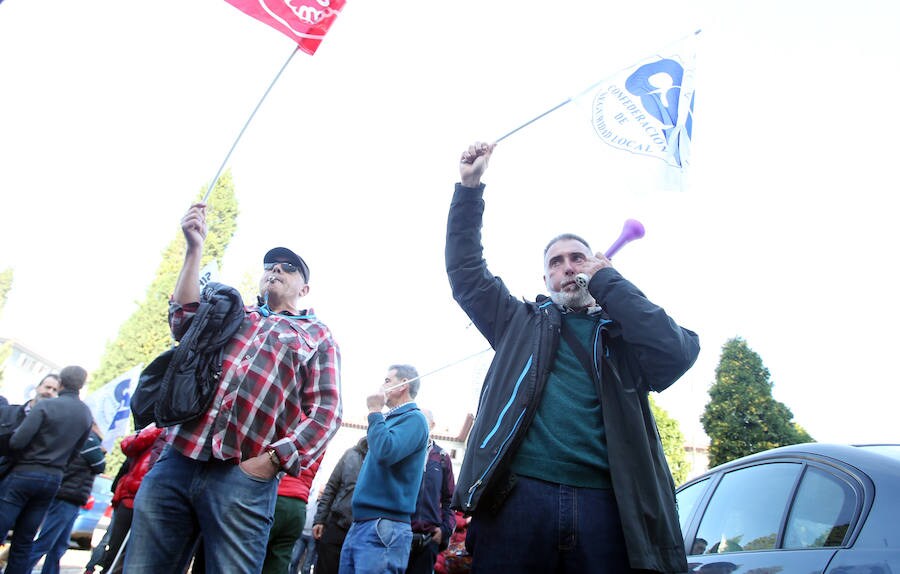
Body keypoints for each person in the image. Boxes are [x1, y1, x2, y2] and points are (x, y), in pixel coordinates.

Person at [446, 142, 701, 573]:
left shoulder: (622, 334)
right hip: (518, 500)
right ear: (545, 277)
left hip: (608, 505)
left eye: (577, 258)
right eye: (556, 262)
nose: (567, 266)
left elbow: (675, 352)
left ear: (594, 266)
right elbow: (467, 273)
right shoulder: (517, 320)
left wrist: (609, 282)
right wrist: (469, 190)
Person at [124, 202, 343, 573]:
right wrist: (194, 249)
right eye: (271, 265)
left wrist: (271, 461)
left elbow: (327, 413)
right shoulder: (234, 311)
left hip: (243, 476)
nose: (276, 269)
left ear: (304, 288)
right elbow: (183, 321)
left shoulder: (316, 335)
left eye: (289, 268)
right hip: (177, 459)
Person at [0, 365, 94, 574]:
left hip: (24, 473)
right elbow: (76, 451)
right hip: (53, 479)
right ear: (81, 384)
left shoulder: (47, 406)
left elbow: (18, 441)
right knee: (24, 541)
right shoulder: (86, 415)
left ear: (61, 382)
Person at [338, 365, 429, 574]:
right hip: (366, 524)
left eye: (388, 381)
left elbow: (386, 451)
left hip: (384, 526)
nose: (382, 385)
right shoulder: (392, 420)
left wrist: (374, 412)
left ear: (403, 385)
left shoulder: (414, 419)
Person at [85, 423, 166, 574]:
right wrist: (155, 428)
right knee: (115, 546)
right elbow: (127, 445)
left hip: (153, 499)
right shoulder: (158, 430)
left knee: (137, 551)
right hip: (131, 497)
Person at [27, 422, 106, 574]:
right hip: (68, 497)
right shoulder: (90, 441)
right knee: (46, 542)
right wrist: (101, 450)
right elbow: (99, 465)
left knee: (58, 545)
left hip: (68, 497)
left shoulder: (79, 438)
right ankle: (20, 569)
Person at [406, 409, 456, 574]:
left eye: (424, 422)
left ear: (432, 425)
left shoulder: (442, 457)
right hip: (399, 536)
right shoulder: (404, 452)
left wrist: (444, 530)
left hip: (428, 541)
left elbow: (450, 500)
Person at [313, 437, 369, 574]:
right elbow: (331, 487)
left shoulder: (384, 460)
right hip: (337, 525)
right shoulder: (350, 454)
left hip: (364, 533)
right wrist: (320, 519)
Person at [262, 456, 322, 574]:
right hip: (298, 506)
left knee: (249, 554)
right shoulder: (321, 442)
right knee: (278, 564)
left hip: (278, 496)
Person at [0, 374, 60, 481]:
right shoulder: (6, 412)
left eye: (55, 390)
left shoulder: (50, 428)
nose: (50, 392)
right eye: (47, 387)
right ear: (38, 388)